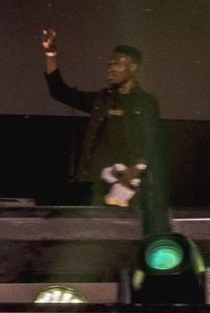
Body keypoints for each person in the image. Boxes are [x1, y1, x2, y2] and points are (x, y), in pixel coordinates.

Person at [41, 31, 165, 228]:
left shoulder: (145, 102)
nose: (110, 68)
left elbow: (153, 141)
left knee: (126, 235)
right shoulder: (102, 100)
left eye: (116, 63)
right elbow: (60, 92)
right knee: (97, 235)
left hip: (126, 185)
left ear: (133, 67)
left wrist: (136, 169)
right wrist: (51, 55)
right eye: (109, 63)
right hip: (97, 184)